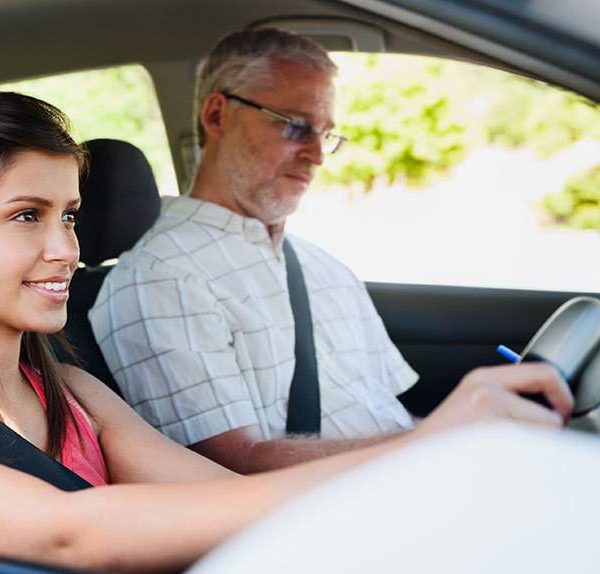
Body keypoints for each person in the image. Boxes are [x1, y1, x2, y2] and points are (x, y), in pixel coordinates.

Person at [0, 91, 573, 573]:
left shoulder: (68, 389)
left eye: (69, 215)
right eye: (26, 217)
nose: (67, 249)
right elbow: (72, 535)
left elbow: (226, 500)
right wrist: (432, 443)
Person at [89, 28, 418, 473]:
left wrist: (475, 437)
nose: (318, 154)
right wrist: (431, 444)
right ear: (218, 115)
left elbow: (386, 414)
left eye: (325, 134)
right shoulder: (162, 276)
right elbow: (233, 467)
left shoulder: (323, 266)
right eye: (297, 127)